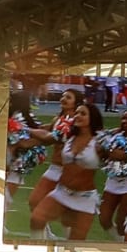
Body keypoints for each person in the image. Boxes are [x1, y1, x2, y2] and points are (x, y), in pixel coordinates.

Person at [29, 101, 104, 241]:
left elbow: (118, 154)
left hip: (85, 198)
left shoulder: (100, 141)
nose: (78, 116)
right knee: (36, 219)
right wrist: (25, 129)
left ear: (92, 118)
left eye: (83, 113)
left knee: (76, 241)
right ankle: (40, 250)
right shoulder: (66, 135)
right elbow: (46, 136)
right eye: (76, 113)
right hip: (61, 192)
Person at [26, 88, 80, 217]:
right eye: (63, 96)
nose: (63, 99)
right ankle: (45, 232)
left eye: (68, 97)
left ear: (76, 102)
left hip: (70, 171)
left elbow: (47, 137)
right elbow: (45, 137)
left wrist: (24, 128)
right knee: (34, 201)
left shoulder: (77, 122)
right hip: (54, 168)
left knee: (67, 214)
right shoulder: (58, 119)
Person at [98, 108, 127, 237]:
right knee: (104, 218)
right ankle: (120, 243)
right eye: (123, 118)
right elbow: (102, 148)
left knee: (121, 222)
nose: (124, 121)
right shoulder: (114, 137)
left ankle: (125, 247)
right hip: (113, 181)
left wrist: (123, 155)